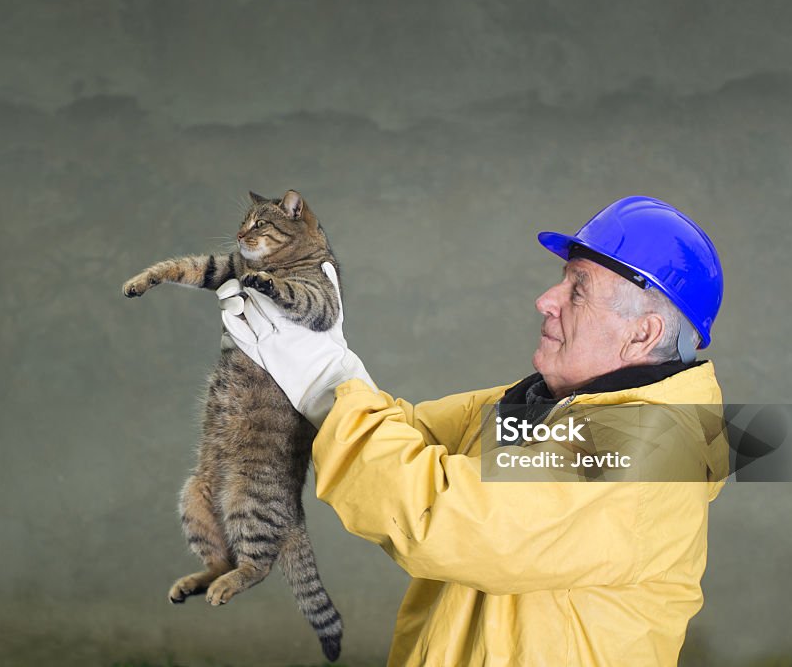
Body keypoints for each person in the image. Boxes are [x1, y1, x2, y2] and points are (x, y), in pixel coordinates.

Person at [219, 195, 729, 666]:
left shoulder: (651, 447)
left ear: (643, 333)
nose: (546, 300)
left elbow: (449, 516)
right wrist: (337, 375)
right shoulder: (542, 405)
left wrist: (327, 386)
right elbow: (408, 438)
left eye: (578, 290)